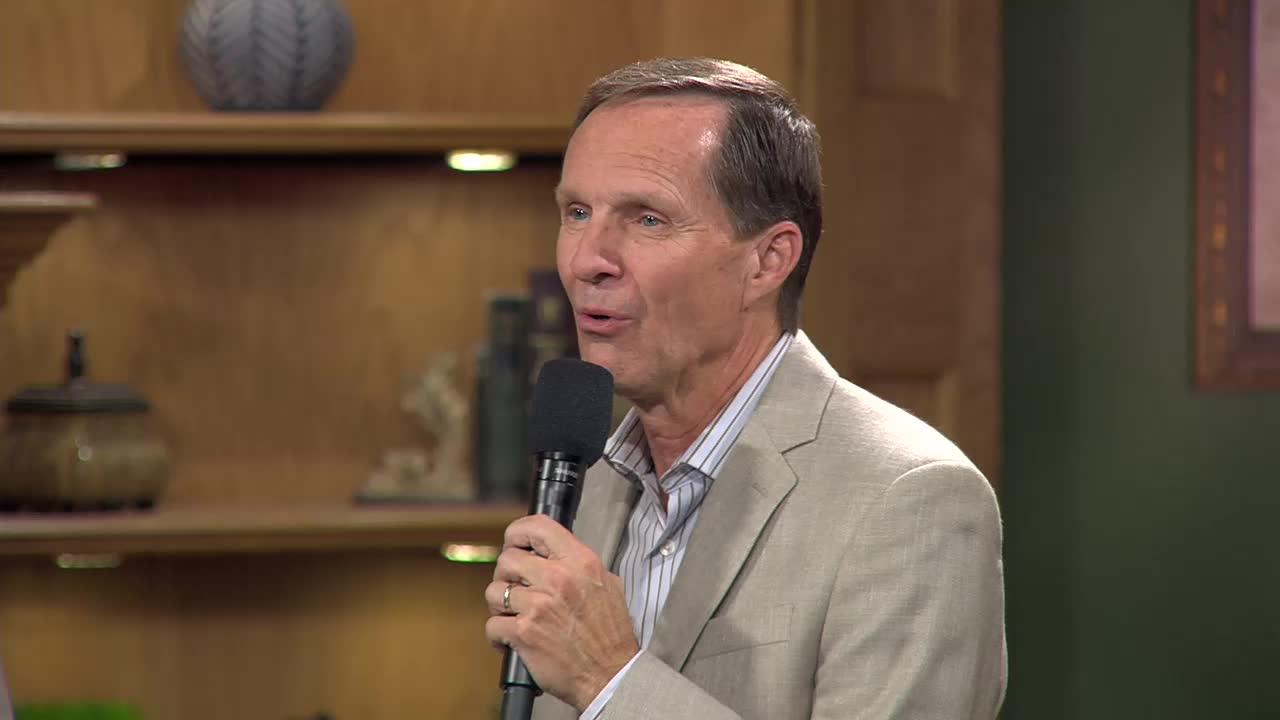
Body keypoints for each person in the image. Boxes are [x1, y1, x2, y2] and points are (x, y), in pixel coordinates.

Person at [484, 57, 1006, 720]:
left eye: (647, 219)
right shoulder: (586, 485)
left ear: (768, 260)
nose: (588, 259)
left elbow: (605, 684)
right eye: (577, 212)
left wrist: (612, 682)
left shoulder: (911, 500)